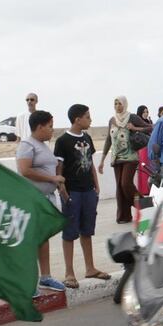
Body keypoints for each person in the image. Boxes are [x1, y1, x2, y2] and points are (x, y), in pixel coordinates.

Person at [55, 104, 108, 289]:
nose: (90, 120)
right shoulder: (62, 141)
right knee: (70, 233)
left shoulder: (87, 137)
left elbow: (91, 164)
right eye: (87, 116)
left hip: (88, 191)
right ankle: (69, 272)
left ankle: (90, 267)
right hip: (72, 192)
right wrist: (64, 192)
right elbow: (59, 170)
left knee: (87, 230)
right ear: (77, 119)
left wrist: (97, 186)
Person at [15, 110, 68, 292]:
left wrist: (58, 185)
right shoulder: (27, 145)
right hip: (32, 199)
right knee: (30, 239)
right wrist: (52, 179)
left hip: (46, 199)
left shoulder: (43, 145)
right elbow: (24, 170)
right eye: (50, 126)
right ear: (39, 127)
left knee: (43, 237)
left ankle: (45, 277)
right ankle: (27, 281)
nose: (52, 130)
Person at [98, 96, 151, 224]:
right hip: (116, 158)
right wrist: (102, 160)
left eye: (120, 103)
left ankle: (146, 208)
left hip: (131, 157)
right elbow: (108, 140)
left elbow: (150, 128)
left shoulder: (132, 117)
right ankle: (124, 216)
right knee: (120, 188)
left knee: (126, 184)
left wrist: (135, 128)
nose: (118, 106)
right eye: (115, 103)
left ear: (125, 104)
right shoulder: (112, 120)